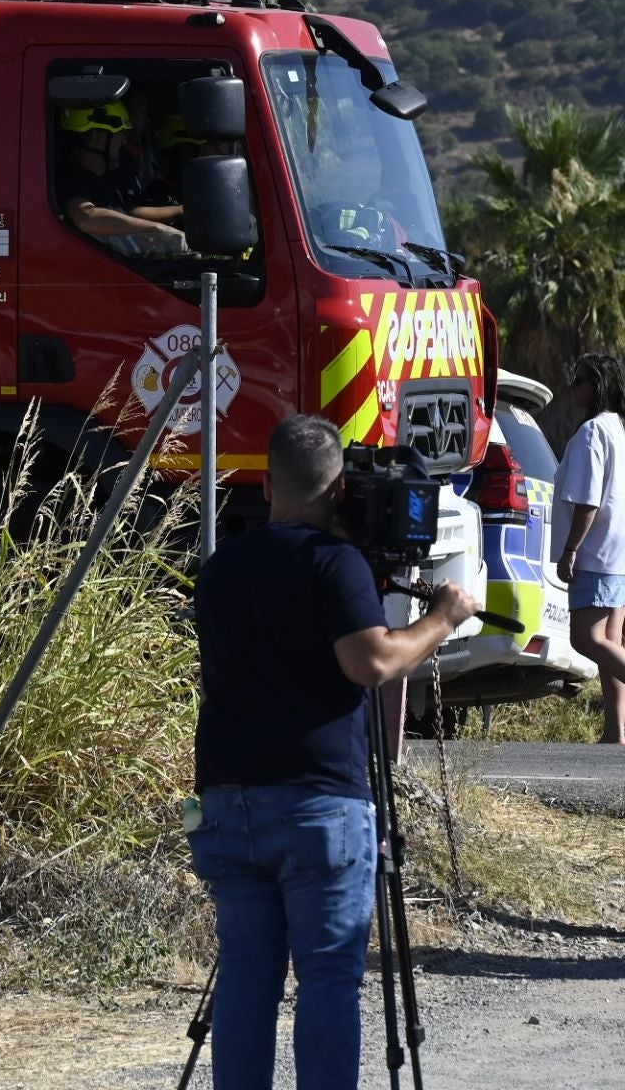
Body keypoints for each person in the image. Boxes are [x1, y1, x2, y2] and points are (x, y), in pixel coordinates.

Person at [190, 413, 481, 1090]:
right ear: (341, 489)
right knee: (325, 977)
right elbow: (372, 661)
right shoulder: (334, 563)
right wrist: (443, 617)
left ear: (267, 484)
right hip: (317, 804)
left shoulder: (221, 568)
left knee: (246, 978)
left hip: (227, 803)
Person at [553, 352, 625, 745]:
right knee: (610, 643)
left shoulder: (592, 433)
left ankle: (616, 732)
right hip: (618, 552)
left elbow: (588, 501)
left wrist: (570, 550)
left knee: (586, 639)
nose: (572, 387)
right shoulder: (619, 428)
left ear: (596, 386)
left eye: (578, 380)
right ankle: (615, 732)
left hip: (596, 553)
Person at [56, 100, 187, 256]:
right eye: (119, 134)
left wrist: (181, 211)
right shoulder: (73, 179)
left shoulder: (104, 180)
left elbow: (126, 215)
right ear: (97, 137)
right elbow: (85, 216)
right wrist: (157, 230)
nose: (124, 141)